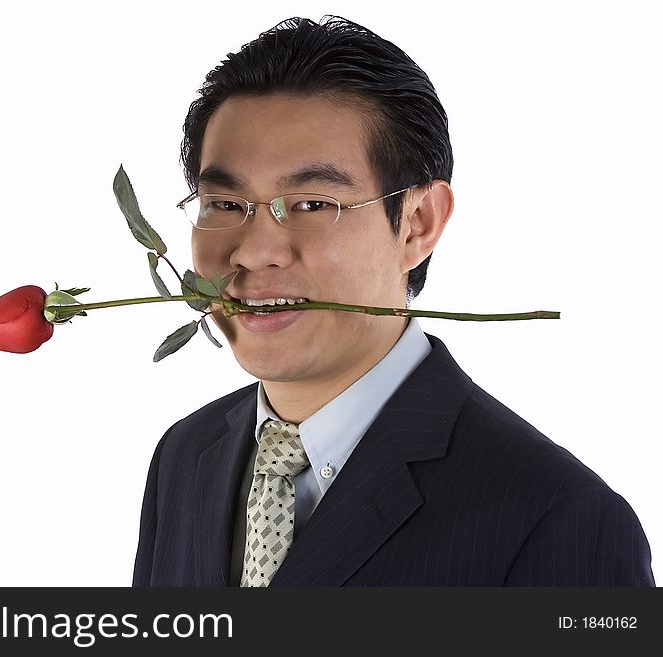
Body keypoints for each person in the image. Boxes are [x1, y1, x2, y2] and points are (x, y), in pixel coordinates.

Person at [132, 16, 654, 587]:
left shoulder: (560, 517)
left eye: (310, 204)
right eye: (226, 205)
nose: (254, 253)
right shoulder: (186, 456)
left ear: (417, 224)